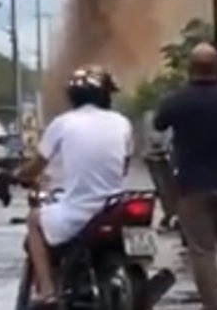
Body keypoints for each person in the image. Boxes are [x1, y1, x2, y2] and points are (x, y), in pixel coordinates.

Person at [15, 65, 132, 309]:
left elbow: (35, 168)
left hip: (79, 210)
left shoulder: (63, 123)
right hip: (113, 207)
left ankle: (47, 291)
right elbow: (123, 167)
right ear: (105, 96)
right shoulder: (122, 123)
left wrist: (15, 176)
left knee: (34, 220)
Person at [154, 42, 217, 310]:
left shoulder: (177, 101)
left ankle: (213, 305)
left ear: (190, 68)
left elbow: (159, 123)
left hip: (192, 187)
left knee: (202, 251)